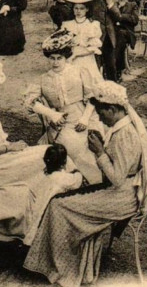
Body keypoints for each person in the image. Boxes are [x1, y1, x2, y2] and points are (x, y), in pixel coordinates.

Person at [23, 81, 147, 287]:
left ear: (112, 109)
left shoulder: (126, 135)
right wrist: (101, 148)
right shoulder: (121, 128)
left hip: (122, 198)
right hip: (120, 191)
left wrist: (100, 152)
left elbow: (117, 179)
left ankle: (61, 267)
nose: (100, 118)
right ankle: (65, 262)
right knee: (62, 199)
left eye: (101, 113)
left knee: (58, 205)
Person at [0, 56, 59, 242]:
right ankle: (38, 220)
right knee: (47, 155)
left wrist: (13, 147)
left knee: (46, 152)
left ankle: (42, 213)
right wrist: (11, 147)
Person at [23, 30, 104, 185]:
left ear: (66, 57)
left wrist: (85, 118)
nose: (55, 63)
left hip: (80, 117)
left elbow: (93, 97)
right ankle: (67, 182)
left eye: (59, 58)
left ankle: (92, 182)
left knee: (79, 148)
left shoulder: (79, 71)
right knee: (56, 150)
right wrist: (51, 114)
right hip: (57, 122)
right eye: (52, 58)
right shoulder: (43, 78)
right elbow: (29, 102)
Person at [61, 0, 104, 81]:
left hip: (86, 58)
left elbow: (93, 48)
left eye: (82, 8)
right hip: (70, 58)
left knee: (88, 81)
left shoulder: (93, 25)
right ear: (73, 9)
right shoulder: (67, 25)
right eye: (76, 8)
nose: (78, 11)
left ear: (87, 9)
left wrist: (76, 55)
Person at [110, 0, 140, 81]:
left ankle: (118, 69)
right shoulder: (112, 4)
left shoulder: (132, 5)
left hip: (126, 31)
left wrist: (120, 16)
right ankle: (109, 69)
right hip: (113, 30)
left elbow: (135, 19)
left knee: (120, 39)